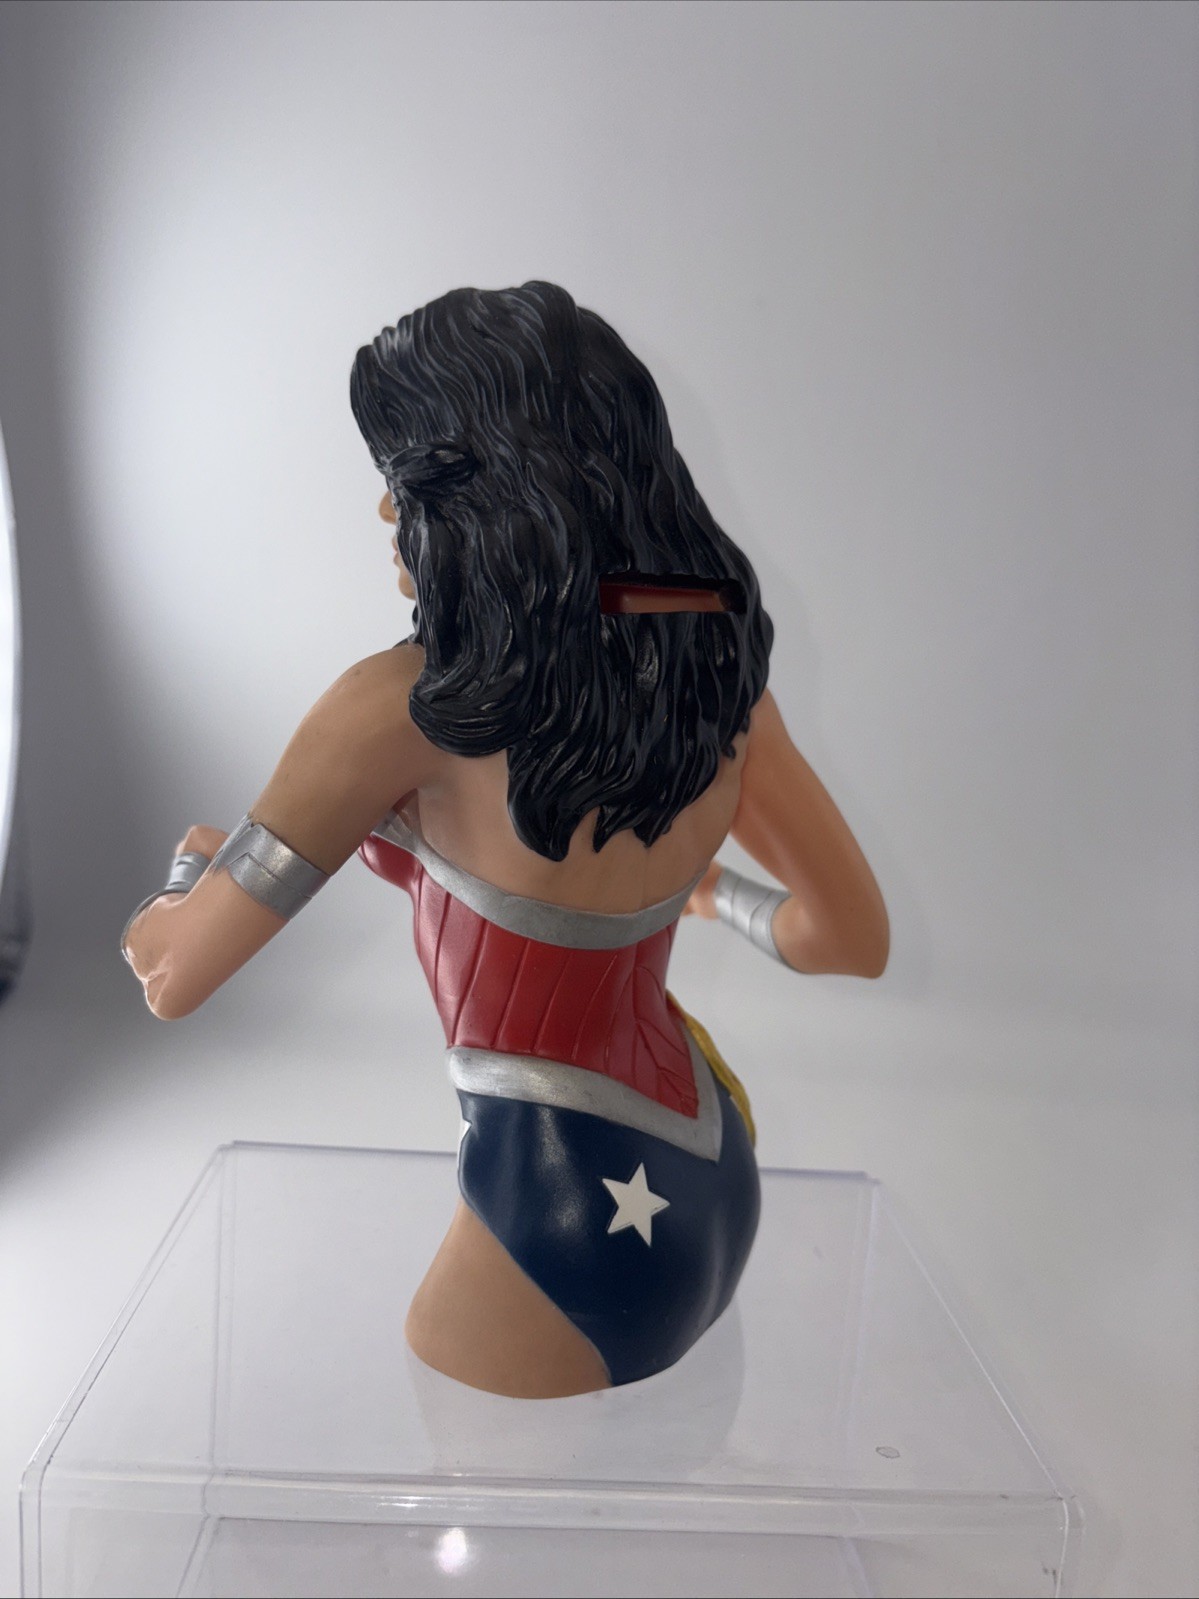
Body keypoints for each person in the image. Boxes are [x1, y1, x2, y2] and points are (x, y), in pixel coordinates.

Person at [122, 283, 889, 1398]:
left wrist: (188, 871)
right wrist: (714, 893)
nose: (384, 512)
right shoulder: (718, 681)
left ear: (484, 497)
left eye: (403, 482)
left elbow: (174, 979)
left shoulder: (396, 711)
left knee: (469, 1482)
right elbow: (849, 941)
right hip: (706, 1166)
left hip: (544, 1227)